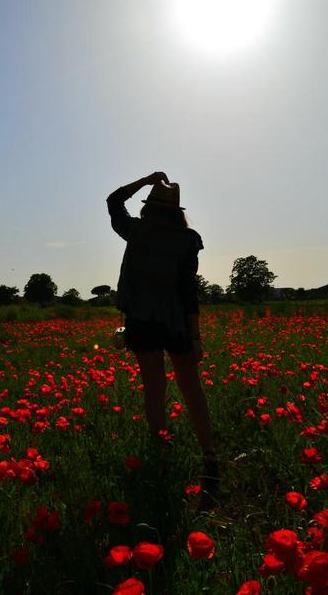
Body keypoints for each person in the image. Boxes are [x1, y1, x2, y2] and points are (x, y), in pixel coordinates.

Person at [106, 171, 219, 507]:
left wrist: (147, 179)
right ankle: (210, 457)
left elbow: (113, 201)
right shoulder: (187, 239)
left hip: (141, 319)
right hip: (175, 321)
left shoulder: (136, 232)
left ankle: (162, 454)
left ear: (149, 207)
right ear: (177, 210)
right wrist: (195, 336)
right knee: (191, 386)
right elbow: (188, 292)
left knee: (154, 387)